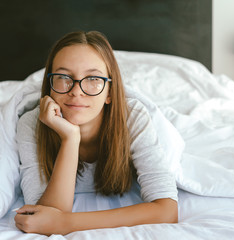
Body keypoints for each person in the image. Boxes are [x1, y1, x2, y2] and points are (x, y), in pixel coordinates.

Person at [14, 31, 178, 235]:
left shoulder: (132, 117)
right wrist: (70, 138)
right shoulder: (31, 123)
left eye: (93, 78)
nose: (76, 90)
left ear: (109, 92)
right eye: (64, 77)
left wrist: (67, 223)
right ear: (50, 87)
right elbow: (45, 216)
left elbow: (167, 210)